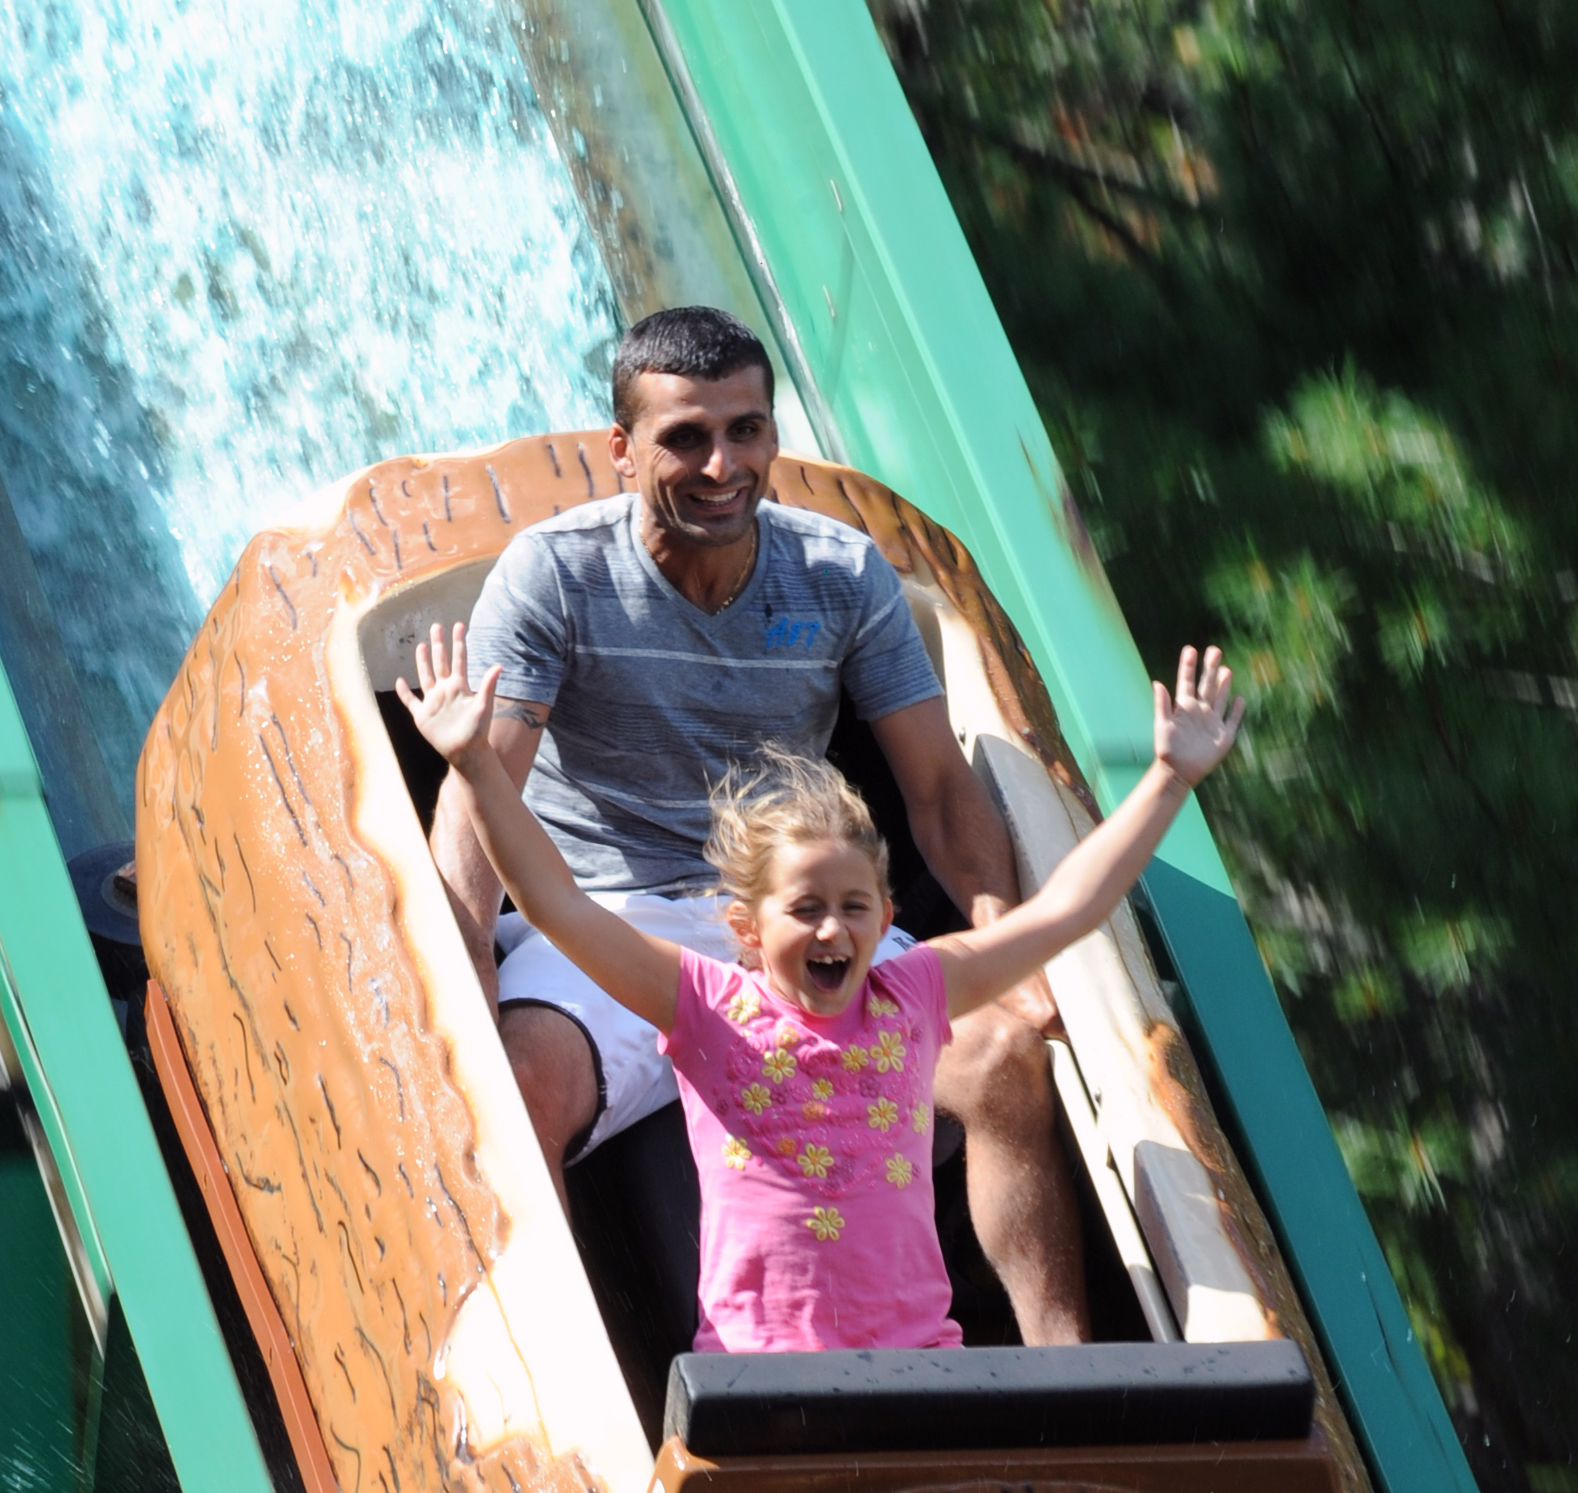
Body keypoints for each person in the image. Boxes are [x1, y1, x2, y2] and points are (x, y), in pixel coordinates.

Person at [432, 303, 1089, 1343]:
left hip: (793, 917)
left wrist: (1005, 933)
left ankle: (1074, 1385)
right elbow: (481, 793)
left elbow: (940, 788)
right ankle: (577, 1421)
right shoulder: (554, 574)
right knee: (515, 1088)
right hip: (613, 926)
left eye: (746, 430)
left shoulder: (839, 574)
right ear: (622, 449)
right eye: (685, 436)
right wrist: (460, 973)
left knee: (1003, 1064)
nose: (721, 464)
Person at [402, 624, 1244, 1355]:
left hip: (916, 1358)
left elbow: (1066, 910)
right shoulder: (707, 1005)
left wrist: (1169, 779)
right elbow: (555, 902)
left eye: (853, 909)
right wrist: (475, 763)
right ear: (747, 931)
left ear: (884, 920)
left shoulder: (912, 993)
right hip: (763, 1368)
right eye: (805, 910)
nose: (833, 931)